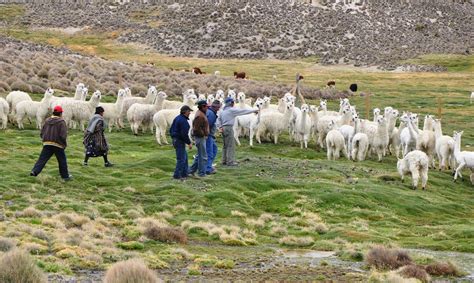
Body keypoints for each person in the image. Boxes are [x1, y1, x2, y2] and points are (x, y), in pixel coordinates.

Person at [30, 105, 72, 181]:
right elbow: (63, 135)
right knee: (62, 161)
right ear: (60, 113)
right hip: (58, 144)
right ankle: (65, 176)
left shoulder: (47, 120)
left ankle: (34, 171)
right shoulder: (61, 122)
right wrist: (64, 144)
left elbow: (42, 132)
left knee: (42, 159)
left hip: (47, 143)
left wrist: (44, 139)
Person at [217, 97, 258, 166]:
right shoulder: (231, 110)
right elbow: (243, 111)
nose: (234, 103)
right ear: (230, 103)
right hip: (229, 128)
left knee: (225, 145)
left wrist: (220, 127)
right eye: (233, 102)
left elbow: (218, 119)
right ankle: (230, 162)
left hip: (223, 128)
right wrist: (253, 110)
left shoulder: (222, 111)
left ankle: (224, 161)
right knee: (230, 145)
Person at [170, 105, 193, 180]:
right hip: (179, 141)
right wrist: (189, 143)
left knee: (185, 157)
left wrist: (174, 137)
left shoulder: (177, 118)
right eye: (189, 111)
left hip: (176, 140)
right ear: (185, 112)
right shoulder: (183, 121)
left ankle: (184, 173)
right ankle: (177, 175)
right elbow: (184, 134)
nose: (190, 113)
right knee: (181, 159)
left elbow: (171, 129)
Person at [189, 100, 210, 177]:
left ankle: (191, 170)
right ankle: (201, 173)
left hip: (200, 137)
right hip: (200, 138)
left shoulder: (201, 113)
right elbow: (196, 129)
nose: (207, 108)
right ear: (202, 106)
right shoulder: (200, 116)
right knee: (203, 156)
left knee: (199, 156)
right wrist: (203, 134)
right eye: (205, 106)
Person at [205, 100, 221, 174]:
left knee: (214, 149)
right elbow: (208, 125)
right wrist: (208, 135)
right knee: (210, 152)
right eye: (218, 107)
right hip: (208, 136)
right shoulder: (211, 114)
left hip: (209, 135)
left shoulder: (209, 111)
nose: (219, 109)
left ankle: (207, 166)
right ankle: (207, 169)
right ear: (216, 107)